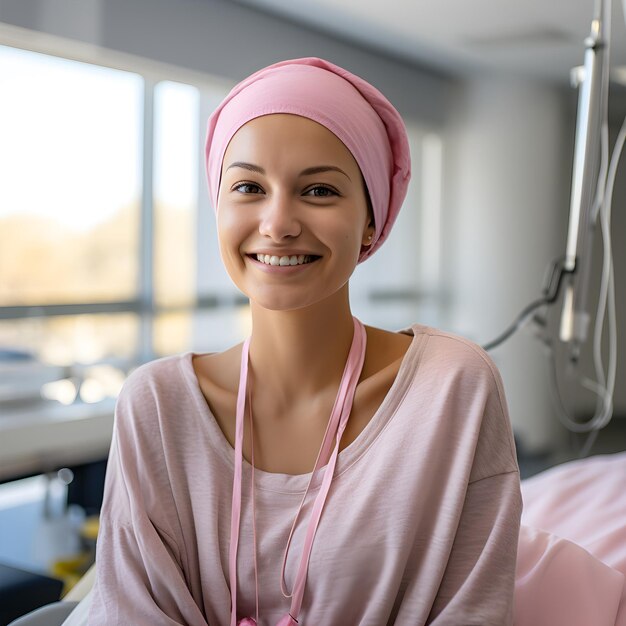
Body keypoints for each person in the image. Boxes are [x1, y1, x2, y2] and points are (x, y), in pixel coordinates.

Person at [88, 57, 522, 625]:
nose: (277, 223)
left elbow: (473, 609)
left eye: (318, 190)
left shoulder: (451, 388)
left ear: (372, 221)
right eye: (248, 186)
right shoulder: (155, 405)